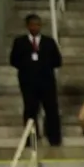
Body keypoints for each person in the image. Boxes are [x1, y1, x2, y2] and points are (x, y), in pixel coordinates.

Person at [9, 14, 63, 146]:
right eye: (32, 24)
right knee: (30, 109)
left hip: (47, 80)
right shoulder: (19, 41)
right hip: (28, 81)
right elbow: (14, 60)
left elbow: (58, 61)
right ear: (27, 26)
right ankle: (31, 138)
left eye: (38, 24)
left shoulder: (49, 41)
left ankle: (54, 138)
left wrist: (43, 63)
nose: (35, 27)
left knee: (51, 108)